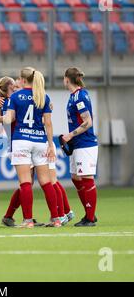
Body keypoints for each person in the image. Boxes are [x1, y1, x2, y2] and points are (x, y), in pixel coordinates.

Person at [0, 67, 61, 228]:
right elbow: (48, 123)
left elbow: (8, 120)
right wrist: (50, 145)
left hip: (21, 141)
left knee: (25, 183)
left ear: (23, 80)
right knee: (46, 182)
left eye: (19, 79)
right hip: (40, 141)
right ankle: (56, 219)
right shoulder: (43, 97)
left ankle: (28, 220)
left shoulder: (15, 97)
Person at [61, 67, 98, 227]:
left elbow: (88, 122)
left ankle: (90, 218)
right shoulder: (74, 96)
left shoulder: (79, 96)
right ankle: (89, 214)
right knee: (76, 178)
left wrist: (71, 135)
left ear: (67, 79)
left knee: (87, 178)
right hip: (77, 144)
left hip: (85, 144)